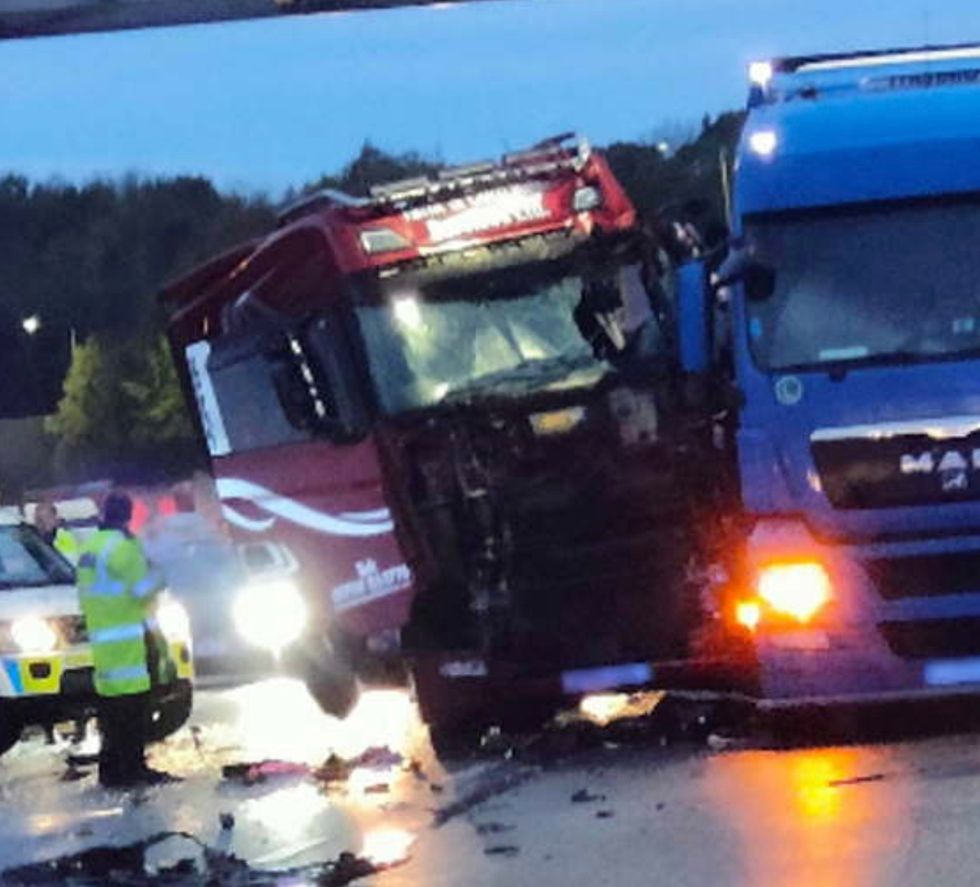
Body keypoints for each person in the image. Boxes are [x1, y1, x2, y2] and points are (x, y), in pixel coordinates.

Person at [76, 492, 178, 788]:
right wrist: (162, 573)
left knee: (111, 714)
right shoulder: (123, 548)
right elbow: (142, 589)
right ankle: (134, 770)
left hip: (103, 643)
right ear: (128, 515)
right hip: (129, 638)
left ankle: (111, 772)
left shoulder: (90, 547)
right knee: (133, 712)